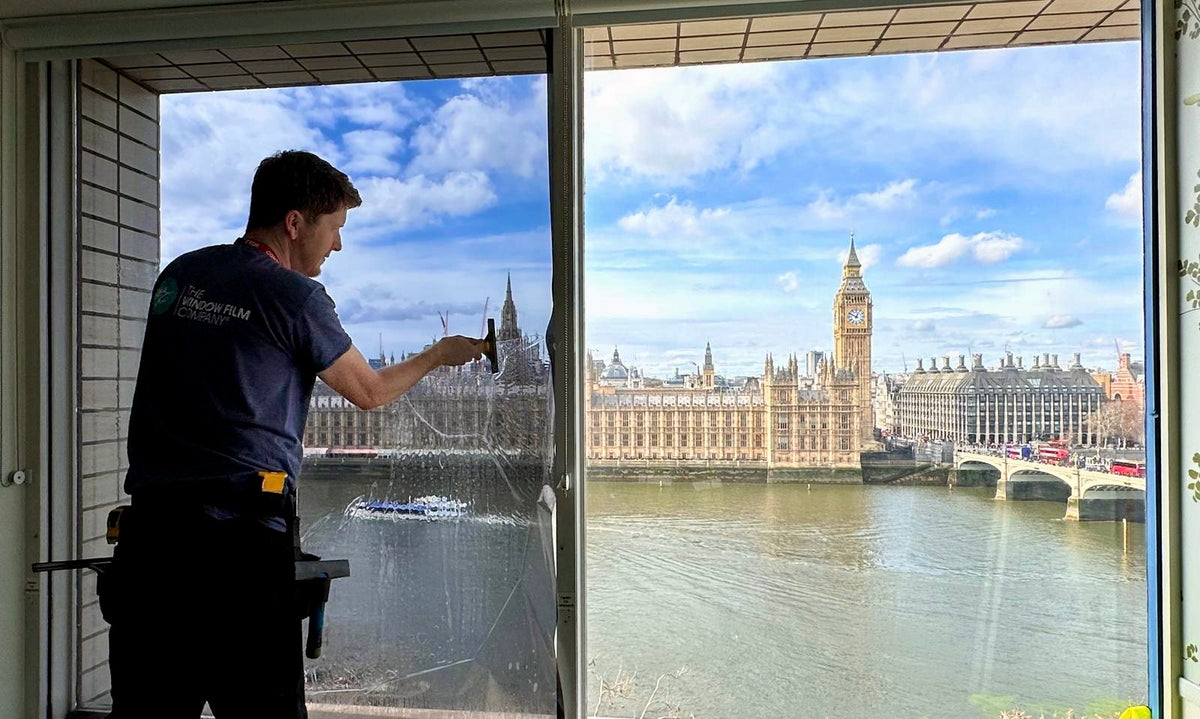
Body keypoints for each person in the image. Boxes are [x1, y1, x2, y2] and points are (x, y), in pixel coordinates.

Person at [100, 150, 483, 719]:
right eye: (333, 229)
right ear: (295, 222)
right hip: (238, 550)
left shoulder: (179, 275)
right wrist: (438, 355)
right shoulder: (294, 296)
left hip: (151, 539)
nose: (338, 246)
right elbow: (370, 391)